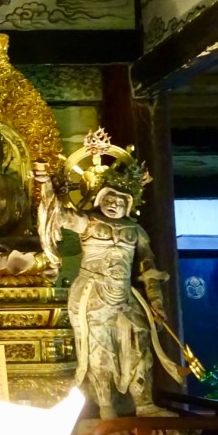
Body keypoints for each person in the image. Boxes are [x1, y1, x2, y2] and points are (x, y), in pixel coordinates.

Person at [34, 164, 181, 419]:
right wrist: (46, 184)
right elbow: (56, 213)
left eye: (120, 201)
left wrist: (156, 301)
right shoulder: (88, 221)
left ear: (129, 203)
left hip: (125, 294)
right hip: (93, 291)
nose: (114, 204)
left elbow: (148, 267)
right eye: (108, 198)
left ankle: (144, 402)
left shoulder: (136, 231)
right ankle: (105, 406)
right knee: (99, 350)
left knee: (140, 343)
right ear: (99, 198)